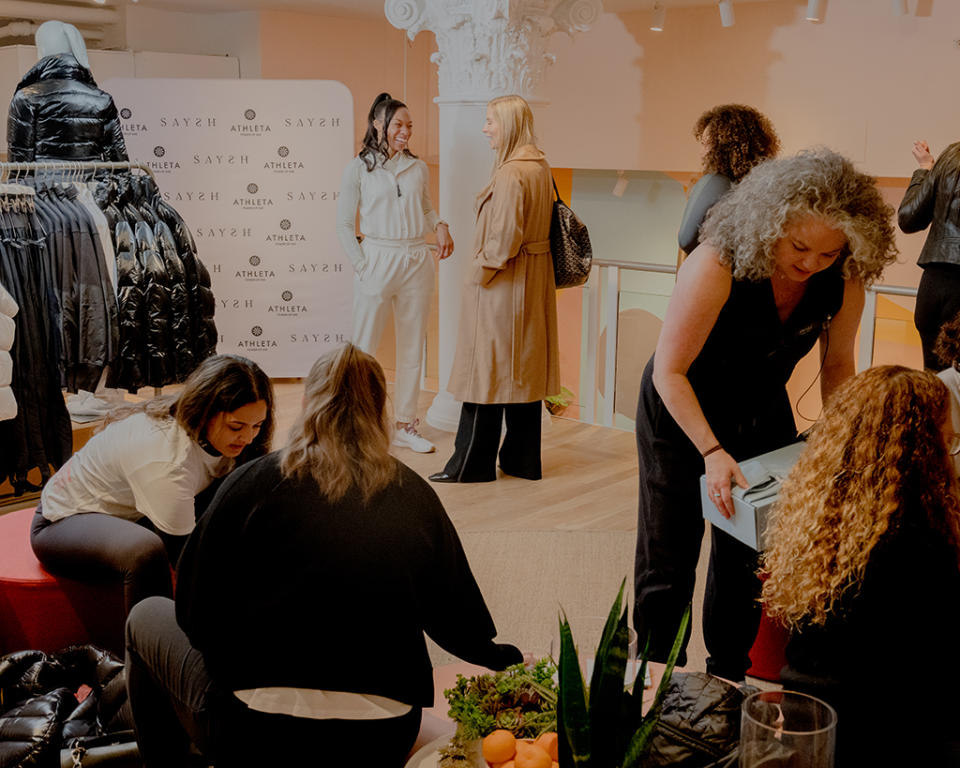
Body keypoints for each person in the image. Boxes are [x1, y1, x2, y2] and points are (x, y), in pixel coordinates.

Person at [124, 344, 522, 767]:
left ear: (309, 403)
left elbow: (193, 609)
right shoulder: (415, 495)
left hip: (254, 732)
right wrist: (504, 658)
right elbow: (457, 617)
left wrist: (240, 660)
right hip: (381, 739)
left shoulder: (251, 483)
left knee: (145, 615)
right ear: (379, 409)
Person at [633, 148, 897, 681]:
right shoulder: (719, 260)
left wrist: (839, 442)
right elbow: (670, 371)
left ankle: (725, 679)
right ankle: (655, 679)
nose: (810, 264)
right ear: (767, 222)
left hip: (761, 412)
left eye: (827, 254)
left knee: (746, 553)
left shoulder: (843, 277)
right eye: (799, 247)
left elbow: (839, 363)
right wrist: (711, 452)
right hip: (683, 410)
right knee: (670, 550)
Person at [761, 366, 960, 766]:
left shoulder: (819, 514)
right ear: (924, 446)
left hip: (807, 712)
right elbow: (936, 660)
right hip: (880, 730)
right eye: (949, 440)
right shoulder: (918, 536)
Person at [31, 354, 273, 616]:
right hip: (62, 521)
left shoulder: (229, 441)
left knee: (246, 498)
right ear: (204, 411)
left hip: (134, 511)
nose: (248, 437)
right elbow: (187, 563)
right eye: (236, 426)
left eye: (257, 425)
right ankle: (148, 647)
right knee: (145, 553)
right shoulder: (168, 457)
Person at [430, 94, 558, 483]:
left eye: (491, 121)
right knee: (521, 375)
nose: (485, 128)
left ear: (509, 124)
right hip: (532, 283)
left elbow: (503, 242)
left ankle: (469, 467)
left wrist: (476, 276)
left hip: (503, 288)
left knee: (482, 375)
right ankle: (521, 461)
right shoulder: (540, 166)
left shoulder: (510, 173)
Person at [337, 92, 453, 454]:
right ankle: (354, 425)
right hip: (378, 255)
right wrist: (361, 262)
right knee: (363, 348)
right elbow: (343, 224)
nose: (405, 132)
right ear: (378, 124)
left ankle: (405, 424)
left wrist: (441, 226)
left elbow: (427, 207)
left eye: (410, 126)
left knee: (412, 346)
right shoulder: (358, 168)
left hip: (416, 257)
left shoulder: (417, 168)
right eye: (399, 125)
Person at [7, 20, 128, 162]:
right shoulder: (102, 100)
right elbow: (117, 159)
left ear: (41, 49)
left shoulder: (26, 99)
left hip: (44, 183)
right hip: (93, 182)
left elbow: (20, 162)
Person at [677, 104, 779, 254]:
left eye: (706, 144)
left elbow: (685, 240)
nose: (702, 153)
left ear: (724, 147)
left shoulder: (714, 183)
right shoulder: (765, 188)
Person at [897, 139, 960, 370]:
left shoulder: (951, 158)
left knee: (935, 380)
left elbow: (908, 218)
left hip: (933, 287)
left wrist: (924, 168)